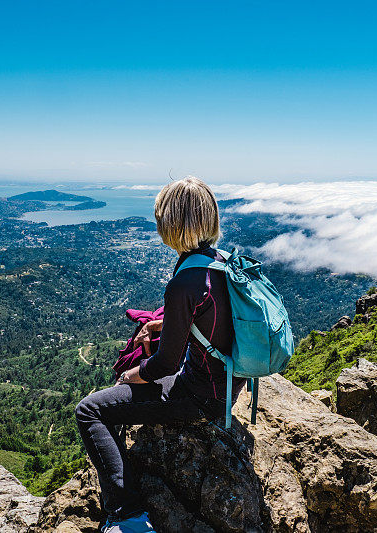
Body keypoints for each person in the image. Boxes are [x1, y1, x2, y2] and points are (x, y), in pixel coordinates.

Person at [75, 177, 247, 533]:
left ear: (172, 224)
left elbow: (164, 365)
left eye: (160, 220)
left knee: (90, 411)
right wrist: (164, 325)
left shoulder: (184, 282)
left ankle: (128, 515)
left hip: (201, 397)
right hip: (229, 383)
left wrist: (132, 374)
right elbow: (212, 318)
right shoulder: (222, 263)